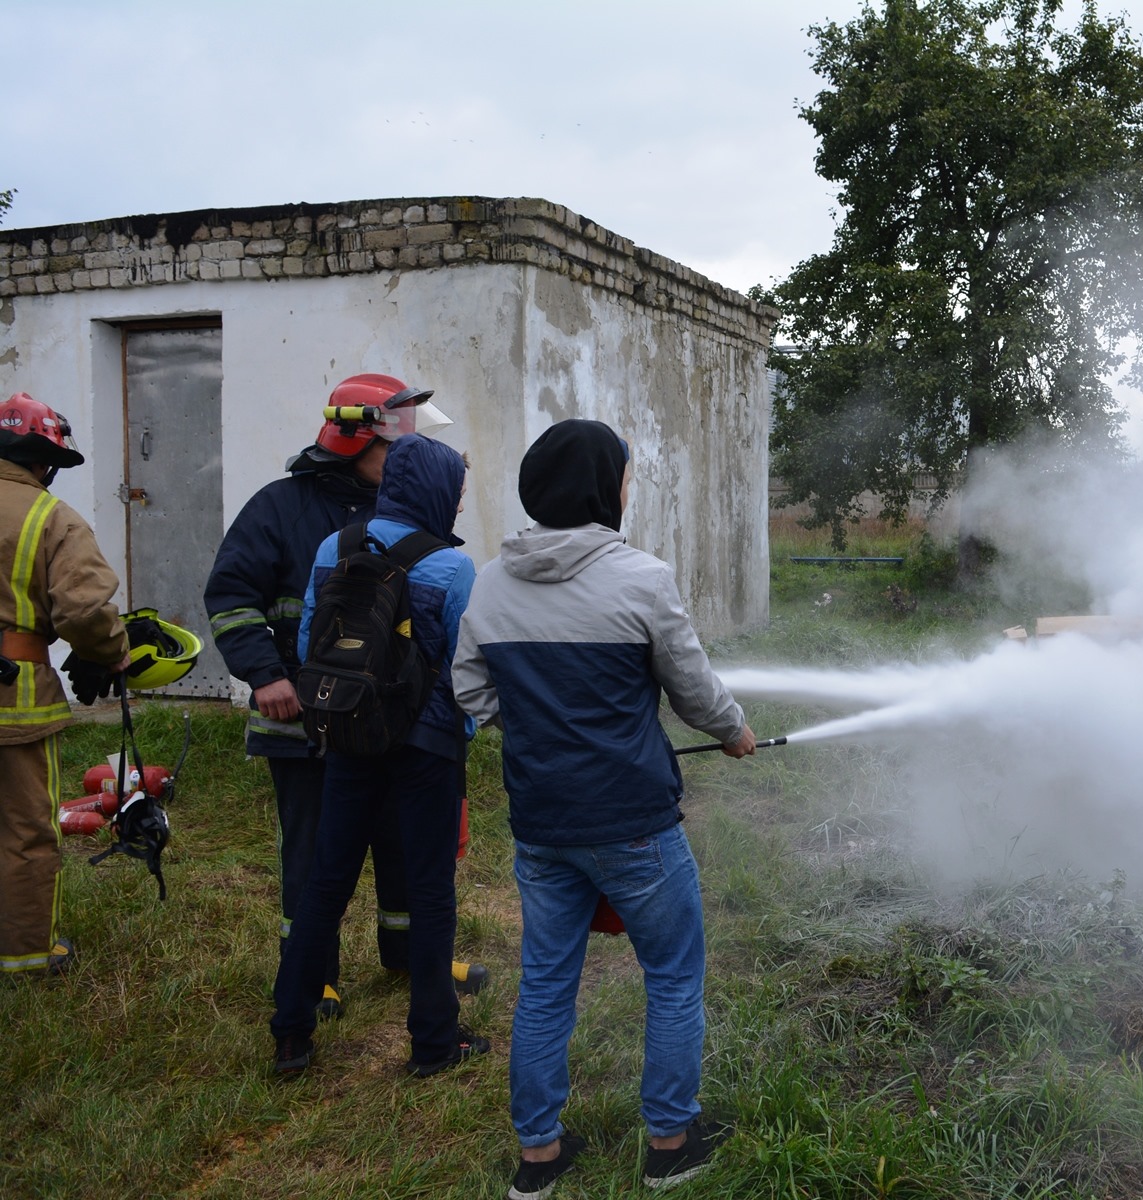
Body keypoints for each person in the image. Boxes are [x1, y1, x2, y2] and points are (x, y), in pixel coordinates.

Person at [453, 419, 754, 1196]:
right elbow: (692, 690)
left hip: (542, 824)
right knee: (673, 975)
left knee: (546, 983)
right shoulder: (641, 579)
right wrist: (733, 731)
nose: (627, 489)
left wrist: (538, 729)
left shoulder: (491, 583)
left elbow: (470, 691)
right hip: (634, 825)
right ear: (601, 488)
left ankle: (538, 1157)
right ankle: (670, 1143)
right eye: (624, 476)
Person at [204, 374, 486, 1017]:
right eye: (396, 446)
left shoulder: (396, 517)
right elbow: (230, 596)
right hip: (304, 716)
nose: (406, 457)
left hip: (395, 727)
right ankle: (314, 976)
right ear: (356, 441)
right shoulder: (280, 508)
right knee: (315, 854)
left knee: (402, 841)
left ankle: (411, 954)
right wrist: (266, 675)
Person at [269, 432, 488, 1077]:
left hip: (348, 739)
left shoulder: (333, 548)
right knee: (430, 892)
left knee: (325, 884)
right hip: (426, 750)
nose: (459, 502)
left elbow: (309, 644)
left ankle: (291, 1034)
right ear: (436, 490)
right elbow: (465, 670)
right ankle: (434, 1044)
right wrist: (460, 734)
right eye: (458, 490)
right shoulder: (451, 567)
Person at [0, 393, 130, 976]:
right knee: (25, 827)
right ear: (44, 461)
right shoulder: (50, 517)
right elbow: (83, 611)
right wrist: (111, 652)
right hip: (14, 701)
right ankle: (27, 954)